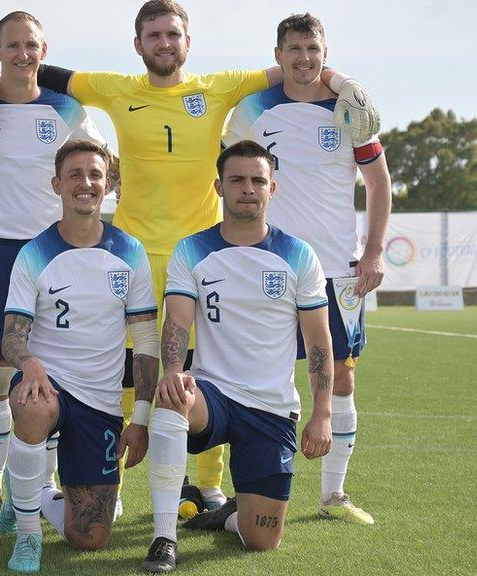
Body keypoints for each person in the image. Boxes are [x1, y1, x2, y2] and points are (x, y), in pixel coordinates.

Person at [0, 0, 377, 509]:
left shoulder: (219, 87)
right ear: (138, 44)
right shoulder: (116, 89)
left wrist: (343, 79)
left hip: (204, 256)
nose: (164, 43)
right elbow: (38, 69)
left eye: (173, 34)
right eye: (153, 35)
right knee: (127, 368)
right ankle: (117, 483)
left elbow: (295, 65)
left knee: (210, 368)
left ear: (187, 42)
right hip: (129, 255)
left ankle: (210, 484)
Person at [223, 13, 391, 525]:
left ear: (325, 51)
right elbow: (231, 183)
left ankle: (333, 495)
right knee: (252, 377)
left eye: (312, 49)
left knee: (341, 377)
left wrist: (376, 250)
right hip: (266, 267)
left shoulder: (348, 111)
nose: (304, 58)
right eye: (293, 49)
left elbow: (379, 183)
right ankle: (246, 489)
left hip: (337, 269)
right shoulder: (252, 110)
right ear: (278, 56)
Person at [141, 141, 334, 573]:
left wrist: (322, 413)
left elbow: (319, 342)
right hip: (214, 394)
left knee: (262, 540)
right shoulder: (192, 249)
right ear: (219, 187)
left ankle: (229, 514)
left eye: (257, 181)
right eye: (238, 180)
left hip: (271, 406)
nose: (248, 189)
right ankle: (163, 538)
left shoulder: (299, 255)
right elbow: (177, 322)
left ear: (272, 189)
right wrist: (173, 371)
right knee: (173, 397)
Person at [0, 11, 108, 524]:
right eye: (13, 45)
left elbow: (105, 166)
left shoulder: (67, 110)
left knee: (53, 371)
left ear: (44, 52)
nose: (23, 53)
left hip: (55, 252)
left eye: (32, 45)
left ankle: (42, 488)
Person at [0, 140, 159, 573]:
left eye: (94, 174)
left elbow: (145, 341)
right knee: (34, 405)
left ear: (108, 185)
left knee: (89, 538)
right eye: (75, 175)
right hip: (46, 384)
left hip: (100, 401)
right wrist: (30, 363)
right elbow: (11, 338)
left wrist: (140, 417)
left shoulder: (130, 252)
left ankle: (29, 490)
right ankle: (28, 535)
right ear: (57, 184)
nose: (85, 183)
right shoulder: (34, 253)